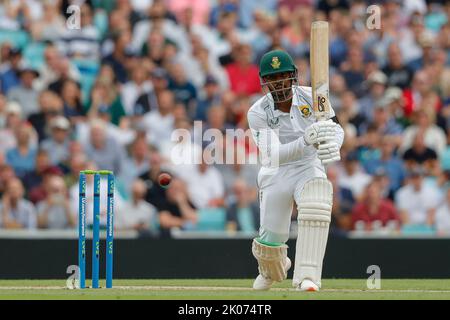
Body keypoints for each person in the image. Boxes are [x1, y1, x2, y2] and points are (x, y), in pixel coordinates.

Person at [247, 50, 344, 291]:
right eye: (273, 78)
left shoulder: (315, 97)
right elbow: (273, 154)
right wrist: (307, 140)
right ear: (265, 81)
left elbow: (335, 128)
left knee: (316, 203)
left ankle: (307, 277)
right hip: (276, 172)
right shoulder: (257, 112)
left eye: (283, 76)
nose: (278, 82)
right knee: (271, 244)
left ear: (293, 76)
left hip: (308, 167)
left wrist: (333, 143)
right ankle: (270, 269)